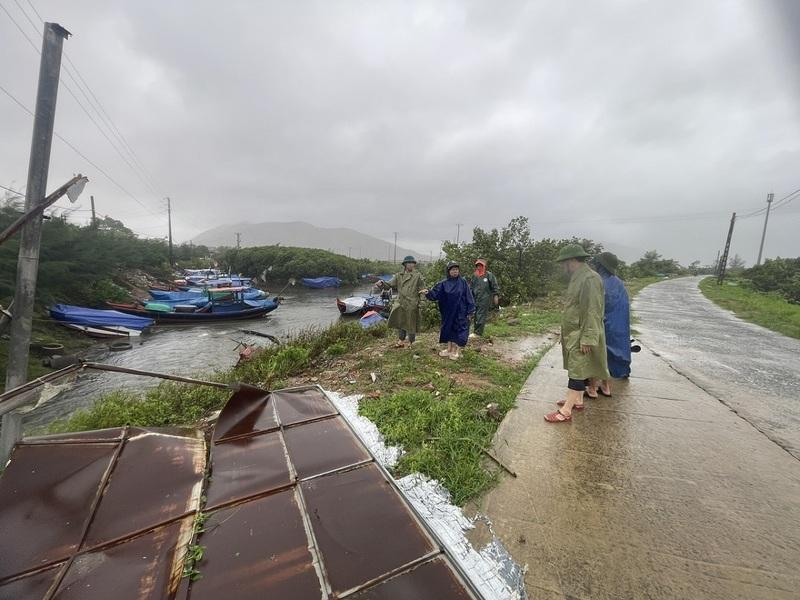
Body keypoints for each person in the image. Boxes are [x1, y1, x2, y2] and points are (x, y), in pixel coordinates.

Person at [545, 244, 609, 423]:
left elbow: (592, 310)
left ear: (572, 260)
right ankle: (577, 400)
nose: (562, 266)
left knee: (577, 371)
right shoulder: (578, 277)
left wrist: (588, 337)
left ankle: (566, 412)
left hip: (581, 333)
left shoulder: (589, 279)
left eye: (563, 263)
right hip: (574, 332)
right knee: (578, 368)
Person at [586, 252, 631, 397]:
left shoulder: (598, 282)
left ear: (600, 265)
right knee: (608, 356)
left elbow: (593, 307)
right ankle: (606, 387)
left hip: (603, 324)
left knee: (595, 354)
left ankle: (592, 388)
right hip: (618, 326)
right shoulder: (618, 283)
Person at [426, 261, 475, 360]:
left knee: (460, 331)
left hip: (461, 312)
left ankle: (457, 351)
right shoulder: (444, 283)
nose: (455, 271)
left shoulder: (463, 282)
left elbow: (469, 296)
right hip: (448, 312)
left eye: (456, 269)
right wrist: (428, 292)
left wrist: (471, 310)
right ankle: (449, 349)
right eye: (453, 270)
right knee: (449, 329)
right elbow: (435, 294)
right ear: (448, 271)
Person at [376, 256, 427, 347]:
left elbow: (422, 289)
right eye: (409, 263)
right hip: (401, 302)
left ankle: (411, 342)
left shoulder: (418, 275)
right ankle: (401, 341)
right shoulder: (398, 275)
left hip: (412, 303)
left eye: (412, 263)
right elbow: (389, 285)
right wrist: (382, 284)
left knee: (411, 324)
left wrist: (422, 301)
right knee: (401, 322)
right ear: (405, 264)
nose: (411, 264)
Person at [469, 258, 500, 337]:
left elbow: (494, 286)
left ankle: (478, 333)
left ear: (484, 266)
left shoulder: (489, 275)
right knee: (476, 315)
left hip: (485, 298)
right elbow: (471, 287)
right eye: (477, 266)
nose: (479, 267)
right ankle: (476, 331)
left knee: (481, 315)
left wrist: (496, 296)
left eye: (481, 265)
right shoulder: (474, 275)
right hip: (475, 298)